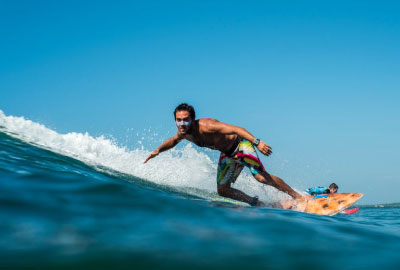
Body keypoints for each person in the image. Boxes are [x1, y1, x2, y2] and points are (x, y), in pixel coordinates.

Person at [144, 103, 302, 206]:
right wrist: (157, 151)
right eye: (178, 120)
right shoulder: (184, 133)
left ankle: (298, 197)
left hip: (240, 145)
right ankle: (257, 203)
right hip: (227, 154)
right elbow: (173, 141)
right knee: (223, 190)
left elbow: (237, 129)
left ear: (192, 119)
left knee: (260, 177)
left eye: (186, 120)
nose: (182, 124)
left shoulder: (208, 125)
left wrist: (257, 142)